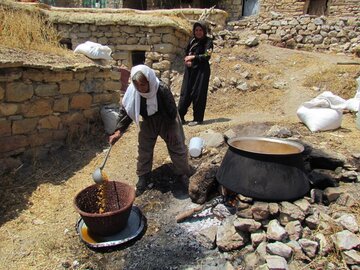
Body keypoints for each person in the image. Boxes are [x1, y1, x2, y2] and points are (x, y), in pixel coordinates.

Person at [109, 64, 193, 196]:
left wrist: (172, 128)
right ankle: (143, 177)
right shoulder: (133, 92)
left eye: (143, 85)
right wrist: (118, 131)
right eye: (137, 85)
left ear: (149, 81)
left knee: (176, 144)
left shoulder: (161, 89)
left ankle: (182, 173)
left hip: (167, 119)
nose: (140, 88)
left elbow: (171, 110)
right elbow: (126, 111)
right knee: (144, 149)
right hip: (148, 120)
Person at [178, 21, 214, 126]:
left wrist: (193, 57)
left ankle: (197, 119)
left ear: (204, 31)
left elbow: (207, 55)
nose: (198, 32)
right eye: (196, 30)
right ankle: (180, 117)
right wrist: (187, 61)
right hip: (190, 70)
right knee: (185, 92)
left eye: (200, 30)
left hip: (202, 71)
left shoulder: (208, 42)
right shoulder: (192, 41)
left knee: (198, 94)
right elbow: (186, 54)